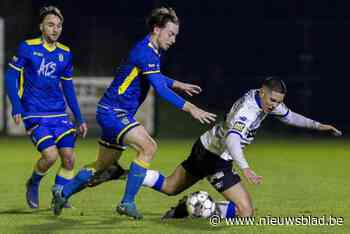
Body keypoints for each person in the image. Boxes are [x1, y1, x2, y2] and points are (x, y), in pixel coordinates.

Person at [88, 77, 342, 219]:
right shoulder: (248, 110)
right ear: (263, 93)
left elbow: (290, 116)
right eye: (272, 101)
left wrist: (319, 126)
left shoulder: (264, 99)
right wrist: (246, 168)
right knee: (245, 211)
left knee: (169, 187)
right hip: (215, 158)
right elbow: (232, 139)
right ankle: (192, 208)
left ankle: (117, 172)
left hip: (204, 146)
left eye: (278, 103)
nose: (274, 106)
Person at [51, 7, 216, 219]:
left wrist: (178, 84)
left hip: (111, 111)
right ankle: (126, 202)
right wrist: (191, 107)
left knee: (103, 165)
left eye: (175, 35)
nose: (173, 40)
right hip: (114, 112)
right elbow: (160, 88)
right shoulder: (145, 52)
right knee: (148, 147)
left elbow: (155, 77)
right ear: (157, 29)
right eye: (171, 34)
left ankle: (62, 193)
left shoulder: (150, 51)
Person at [4, 6, 88, 209]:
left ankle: (59, 196)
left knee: (69, 158)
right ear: (41, 26)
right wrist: (16, 106)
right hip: (34, 113)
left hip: (58, 114)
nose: (55, 29)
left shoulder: (65, 53)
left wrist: (79, 117)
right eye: (51, 25)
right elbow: (10, 77)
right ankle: (33, 182)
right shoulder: (27, 47)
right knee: (50, 155)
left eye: (59, 26)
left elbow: (68, 88)